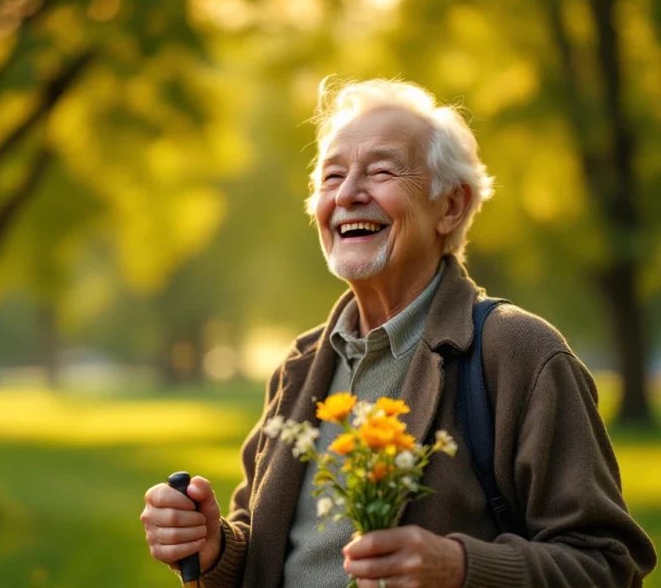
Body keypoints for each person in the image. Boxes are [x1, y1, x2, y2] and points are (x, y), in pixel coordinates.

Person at [141, 79, 657, 588]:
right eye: (331, 176)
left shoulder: (519, 352)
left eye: (381, 171)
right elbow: (268, 547)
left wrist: (460, 568)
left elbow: (608, 563)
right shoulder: (300, 367)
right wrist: (215, 548)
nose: (347, 194)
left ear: (450, 206)